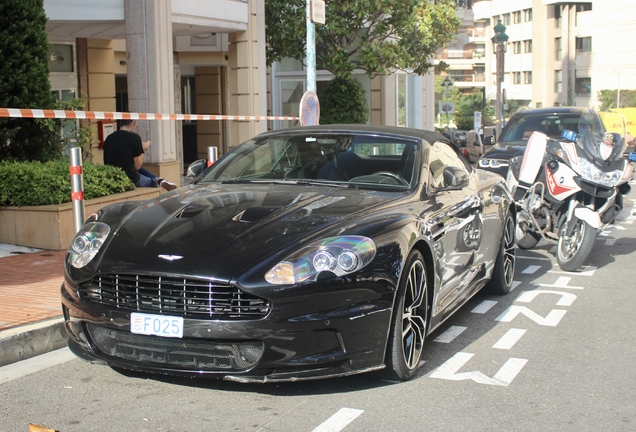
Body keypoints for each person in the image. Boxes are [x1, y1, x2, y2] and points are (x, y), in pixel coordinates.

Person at [103, 120, 177, 191]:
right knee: (152, 182)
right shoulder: (134, 137)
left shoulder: (109, 138)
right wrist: (142, 149)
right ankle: (158, 181)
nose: (135, 128)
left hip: (113, 175)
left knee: (142, 170)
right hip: (130, 177)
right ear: (132, 124)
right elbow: (137, 166)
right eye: (136, 126)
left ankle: (158, 179)